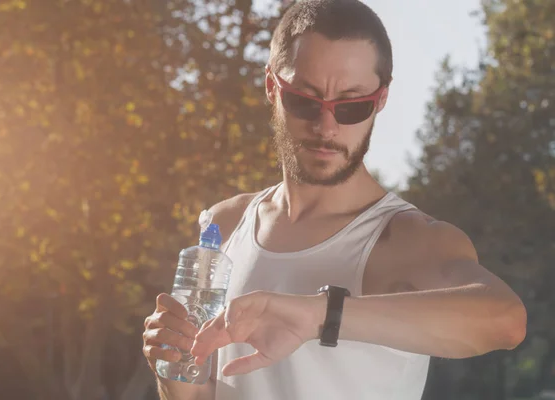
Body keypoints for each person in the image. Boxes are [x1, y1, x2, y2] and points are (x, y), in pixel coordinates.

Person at [142, 0, 527, 399]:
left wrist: (320, 316)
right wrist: (173, 371)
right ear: (273, 86)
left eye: (351, 105)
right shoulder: (226, 222)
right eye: (305, 100)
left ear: (380, 100)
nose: (326, 126)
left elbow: (505, 321)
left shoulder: (407, 240)